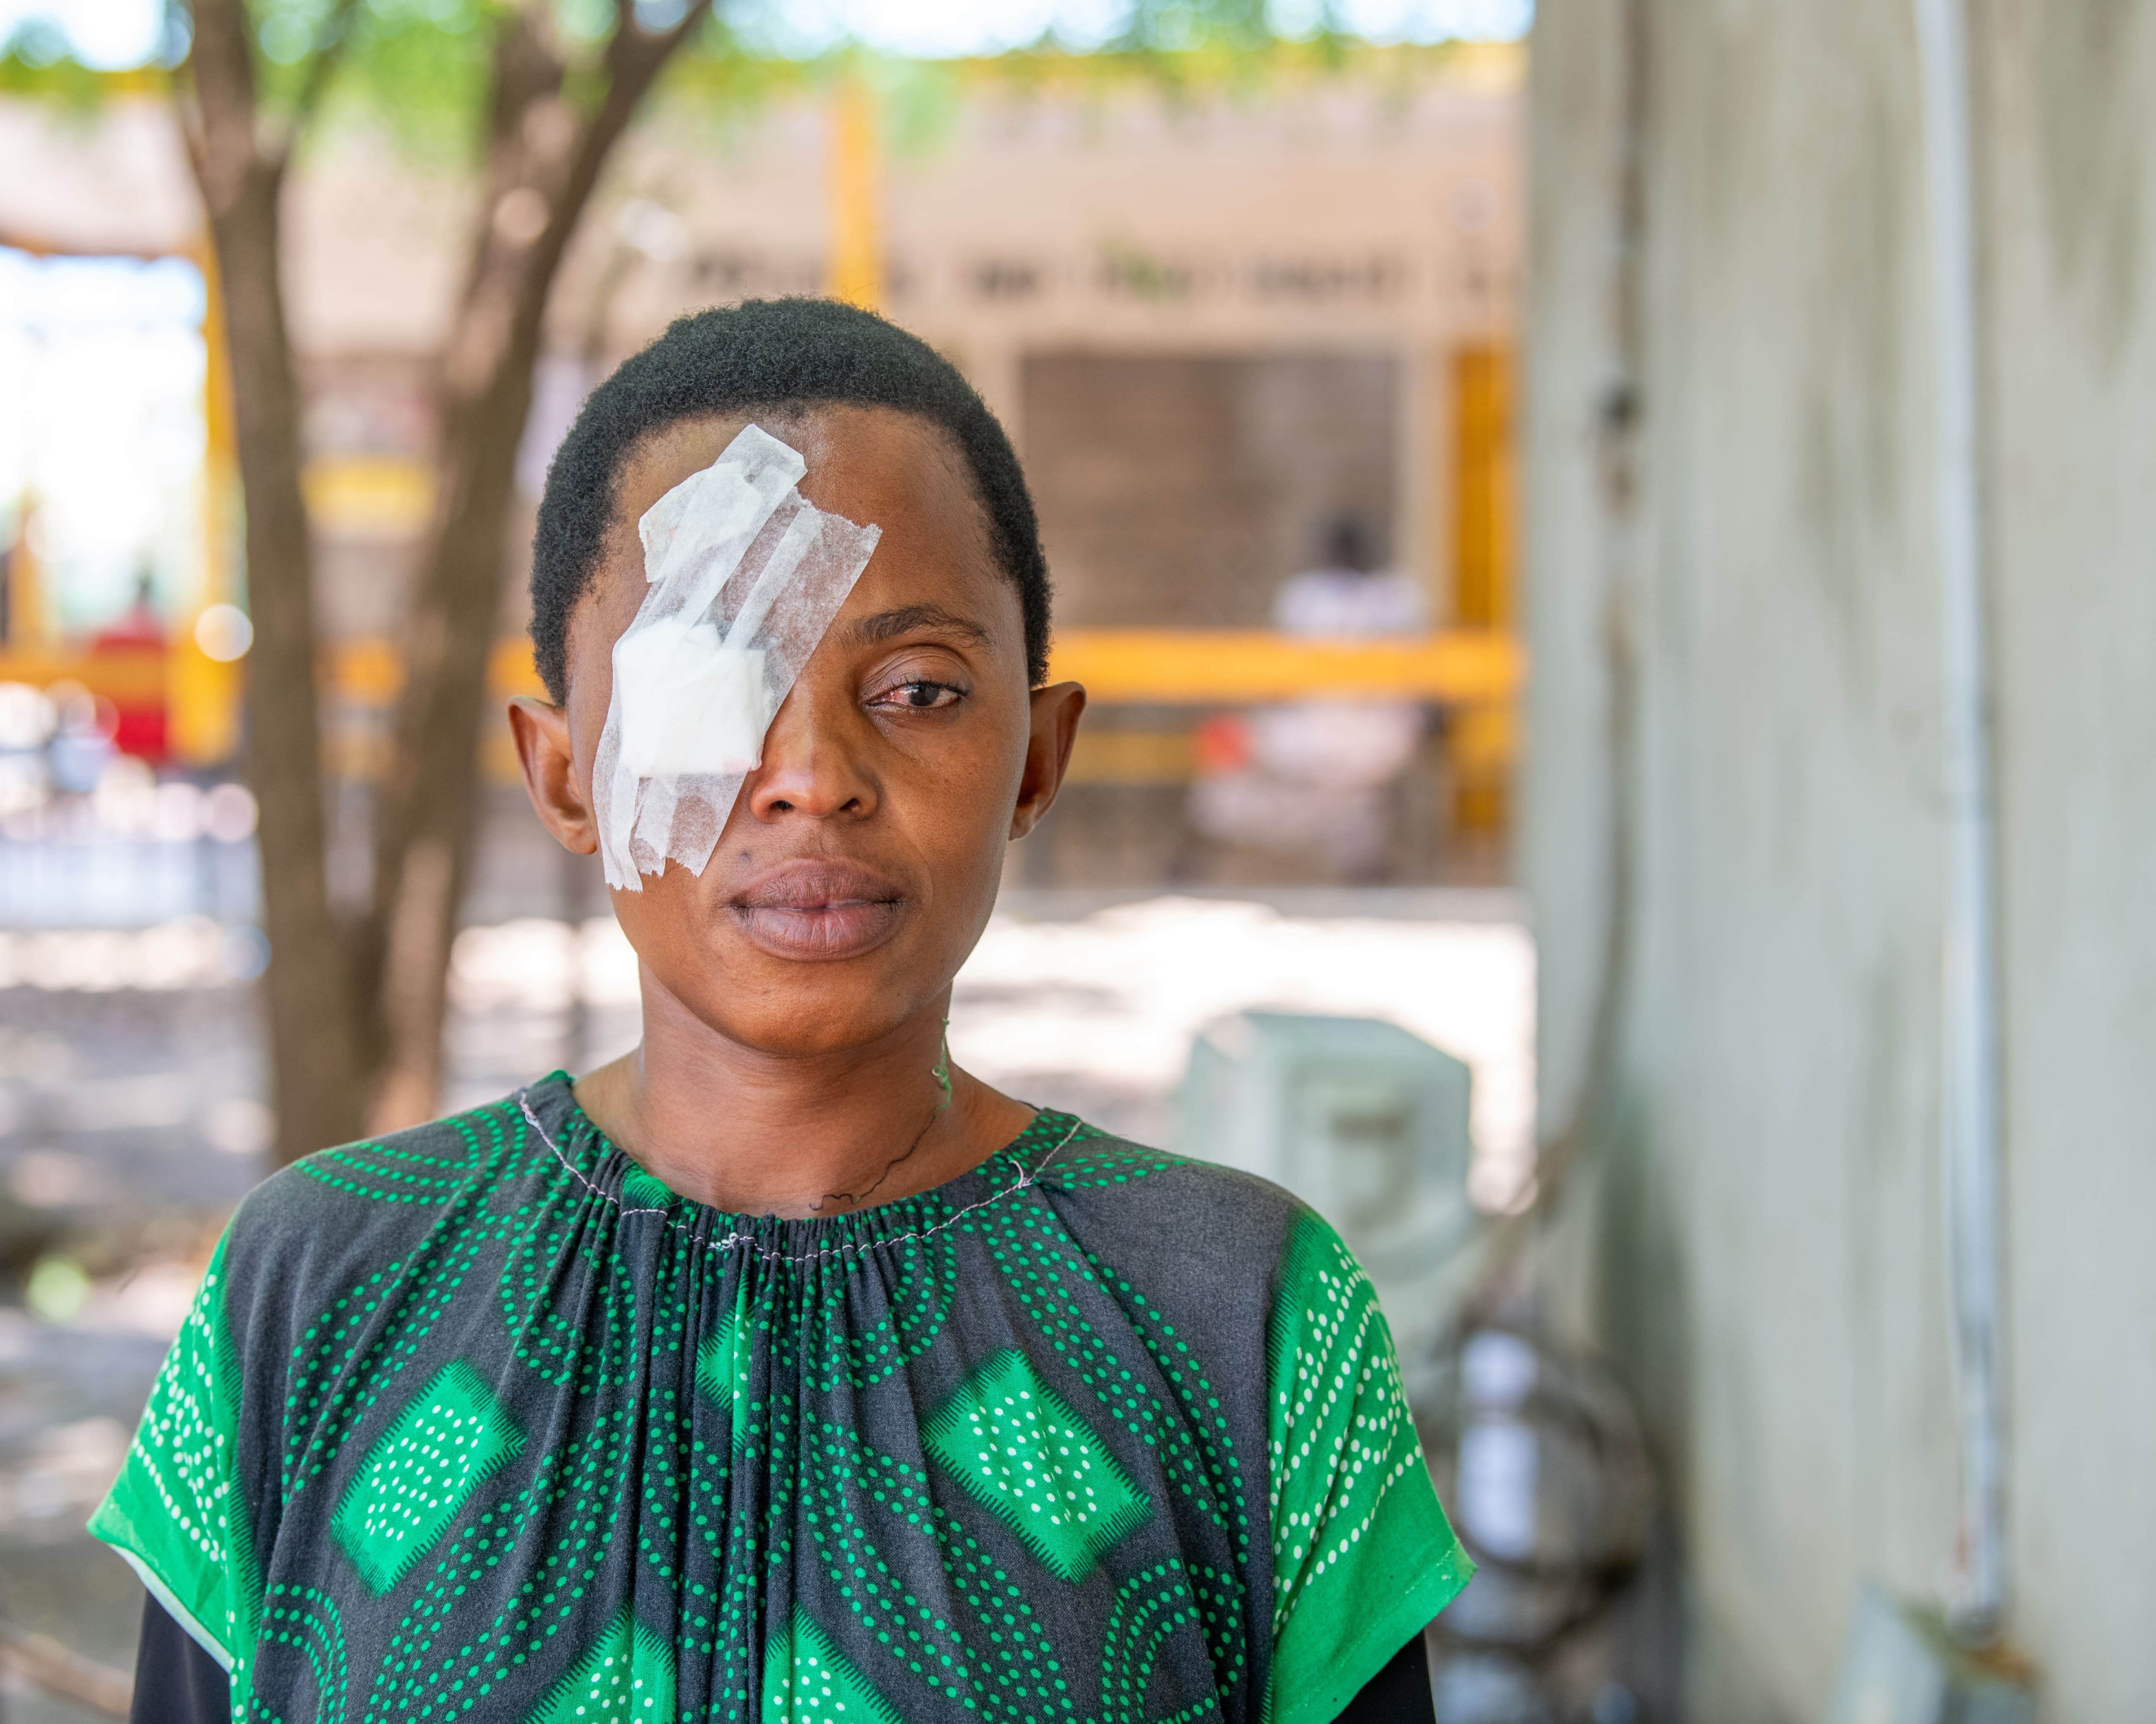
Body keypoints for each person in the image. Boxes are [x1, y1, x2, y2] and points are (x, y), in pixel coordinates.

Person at [94, 298, 1472, 1722]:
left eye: (921, 687)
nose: (812, 773)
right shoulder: (321, 1287)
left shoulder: (1237, 1315)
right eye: (708, 678)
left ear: (1036, 758)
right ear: (565, 772)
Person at [1188, 519, 1432, 880]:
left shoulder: (1389, 598)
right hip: (1334, 732)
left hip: (1364, 733)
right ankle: (1193, 857)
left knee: (1347, 797)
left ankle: (1192, 859)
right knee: (1233, 750)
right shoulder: (1329, 596)